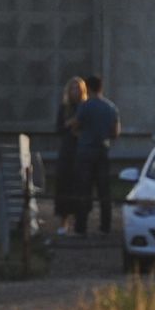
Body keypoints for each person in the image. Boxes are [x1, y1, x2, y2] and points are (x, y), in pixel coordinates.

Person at [72, 74, 121, 235]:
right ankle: (105, 227)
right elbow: (116, 132)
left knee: (83, 191)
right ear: (101, 88)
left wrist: (83, 135)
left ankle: (81, 228)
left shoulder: (85, 107)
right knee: (104, 191)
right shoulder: (111, 107)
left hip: (85, 152)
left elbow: (76, 126)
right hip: (102, 152)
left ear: (89, 88)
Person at [53, 77, 87, 235]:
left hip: (80, 150)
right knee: (64, 184)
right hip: (67, 151)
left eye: (78, 89)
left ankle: (79, 222)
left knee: (79, 186)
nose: (75, 92)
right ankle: (63, 221)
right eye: (73, 88)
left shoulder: (85, 107)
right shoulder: (64, 107)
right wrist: (69, 124)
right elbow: (58, 128)